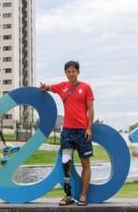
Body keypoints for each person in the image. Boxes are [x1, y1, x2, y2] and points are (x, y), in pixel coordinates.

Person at [40, 61, 94, 206]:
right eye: (68, 71)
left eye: (73, 71)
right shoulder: (62, 86)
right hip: (68, 131)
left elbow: (91, 109)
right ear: (66, 73)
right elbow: (49, 88)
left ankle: (83, 196)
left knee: (85, 163)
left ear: (78, 72)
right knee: (65, 161)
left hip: (82, 130)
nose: (71, 73)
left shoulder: (86, 87)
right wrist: (45, 87)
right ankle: (68, 195)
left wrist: (89, 128)